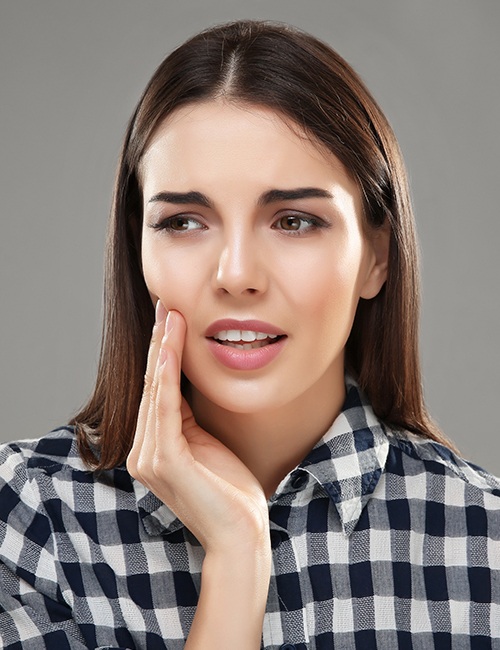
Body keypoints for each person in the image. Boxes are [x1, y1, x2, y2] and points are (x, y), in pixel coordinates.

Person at [1, 19, 499, 650]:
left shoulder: (484, 545)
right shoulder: (31, 521)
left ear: (377, 254)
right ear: (139, 251)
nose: (236, 275)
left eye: (293, 221)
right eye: (184, 221)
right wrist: (237, 560)